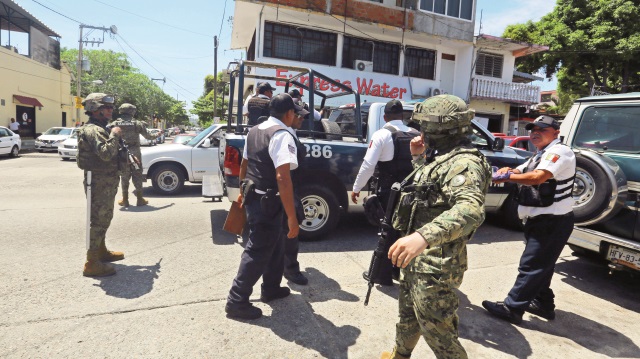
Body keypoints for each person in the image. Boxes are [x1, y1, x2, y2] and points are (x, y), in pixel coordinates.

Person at [380, 95, 491, 359]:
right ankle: (400, 355)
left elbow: (470, 209)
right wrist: (418, 159)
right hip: (417, 258)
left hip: (436, 263)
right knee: (408, 315)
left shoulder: (464, 163)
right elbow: (430, 193)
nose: (421, 131)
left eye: (426, 126)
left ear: (444, 128)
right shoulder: (443, 157)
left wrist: (422, 236)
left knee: (438, 332)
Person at [482, 115, 576, 324]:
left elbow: (537, 177)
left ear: (555, 133)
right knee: (543, 264)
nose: (535, 132)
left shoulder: (559, 152)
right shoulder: (541, 153)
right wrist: (510, 170)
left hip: (553, 220)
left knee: (532, 265)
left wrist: (505, 177)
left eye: (542, 129)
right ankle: (543, 304)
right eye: (533, 129)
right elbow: (523, 169)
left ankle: (513, 307)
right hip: (542, 219)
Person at [226, 93, 301, 320]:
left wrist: (241, 190)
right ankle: (236, 301)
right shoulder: (282, 135)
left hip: (255, 197)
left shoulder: (255, 130)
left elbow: (245, 163)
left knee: (276, 243)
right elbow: (283, 178)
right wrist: (292, 217)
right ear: (289, 114)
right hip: (268, 201)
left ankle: (271, 288)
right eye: (294, 113)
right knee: (257, 250)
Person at [352, 99, 418, 286]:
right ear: (402, 116)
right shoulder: (415, 134)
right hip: (411, 193)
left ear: (385, 117)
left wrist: (357, 188)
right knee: (404, 231)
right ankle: (398, 271)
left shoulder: (382, 134)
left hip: (389, 192)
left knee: (387, 232)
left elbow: (368, 165)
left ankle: (381, 275)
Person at [76, 93, 124, 277]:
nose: (110, 111)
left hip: (106, 181)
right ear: (95, 110)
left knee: (105, 218)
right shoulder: (93, 130)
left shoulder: (100, 127)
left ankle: (101, 251)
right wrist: (114, 135)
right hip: (98, 182)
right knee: (98, 221)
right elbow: (105, 153)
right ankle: (92, 262)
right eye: (106, 108)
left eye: (111, 107)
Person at [282, 103, 311, 285]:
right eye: (299, 116)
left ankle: (284, 268)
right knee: (291, 231)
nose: (302, 119)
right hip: (287, 189)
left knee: (285, 232)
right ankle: (291, 269)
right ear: (290, 115)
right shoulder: (285, 136)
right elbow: (283, 174)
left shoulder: (290, 133)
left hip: (292, 188)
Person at [110, 103, 157, 207]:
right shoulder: (137, 123)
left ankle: (125, 200)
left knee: (124, 176)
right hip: (135, 154)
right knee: (137, 175)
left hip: (122, 153)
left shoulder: (115, 123)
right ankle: (140, 199)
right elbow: (149, 136)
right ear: (132, 112)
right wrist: (158, 134)